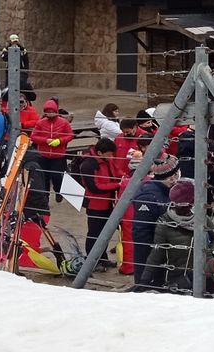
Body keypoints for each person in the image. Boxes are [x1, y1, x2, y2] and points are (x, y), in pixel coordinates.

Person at [136, 179, 204, 293]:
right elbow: (156, 254)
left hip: (201, 274)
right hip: (176, 278)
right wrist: (143, 281)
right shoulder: (164, 222)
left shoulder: (201, 218)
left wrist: (208, 255)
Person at [130, 154, 181, 282]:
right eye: (176, 174)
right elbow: (141, 233)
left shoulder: (169, 191)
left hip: (165, 251)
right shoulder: (148, 197)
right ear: (171, 176)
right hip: (152, 255)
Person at [77, 137, 123, 268]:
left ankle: (102, 258)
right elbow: (94, 187)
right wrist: (117, 185)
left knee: (105, 233)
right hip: (95, 205)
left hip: (107, 202)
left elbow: (116, 172)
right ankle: (92, 261)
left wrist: (125, 178)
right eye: (109, 154)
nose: (111, 157)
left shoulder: (106, 160)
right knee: (94, 233)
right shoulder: (88, 165)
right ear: (99, 153)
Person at [31, 99, 74, 201]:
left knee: (57, 176)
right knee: (44, 176)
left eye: (52, 111)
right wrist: (46, 140)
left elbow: (70, 135)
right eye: (48, 111)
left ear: (56, 111)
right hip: (44, 155)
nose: (50, 114)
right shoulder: (40, 123)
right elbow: (34, 136)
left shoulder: (63, 122)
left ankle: (58, 191)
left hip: (58, 155)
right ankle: (45, 196)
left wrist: (60, 141)